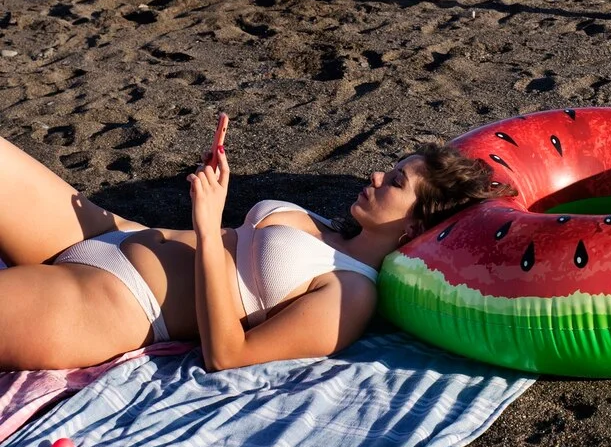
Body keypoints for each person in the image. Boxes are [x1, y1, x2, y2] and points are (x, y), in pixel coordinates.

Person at [0, 119, 514, 372]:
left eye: (396, 183)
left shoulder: (353, 295)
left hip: (112, 300)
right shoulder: (329, 227)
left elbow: (227, 354)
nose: (377, 174)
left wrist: (207, 225)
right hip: (108, 230)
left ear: (413, 225)